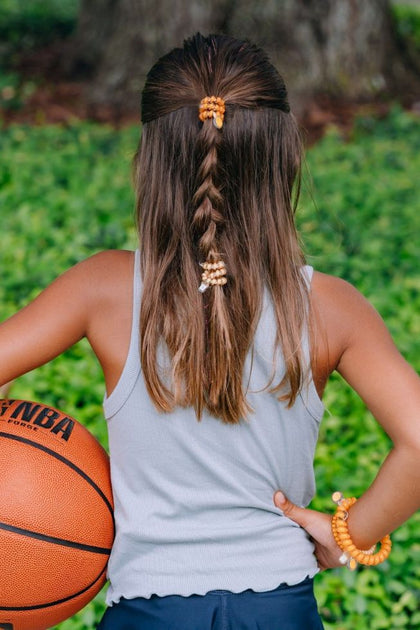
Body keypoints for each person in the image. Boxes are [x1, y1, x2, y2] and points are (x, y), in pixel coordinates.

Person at [1, 33, 419, 630]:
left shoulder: (100, 288)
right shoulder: (331, 307)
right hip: (279, 607)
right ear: (285, 157)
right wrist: (351, 532)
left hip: (149, 609)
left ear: (149, 163)